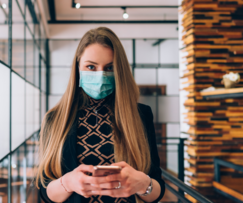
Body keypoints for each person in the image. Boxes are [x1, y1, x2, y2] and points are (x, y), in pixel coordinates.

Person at [35, 27, 165, 203]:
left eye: (109, 67)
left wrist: (143, 184)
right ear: (78, 67)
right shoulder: (54, 119)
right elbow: (45, 191)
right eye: (91, 66)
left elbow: (156, 190)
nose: (101, 75)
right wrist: (67, 183)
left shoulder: (141, 115)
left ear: (120, 71)